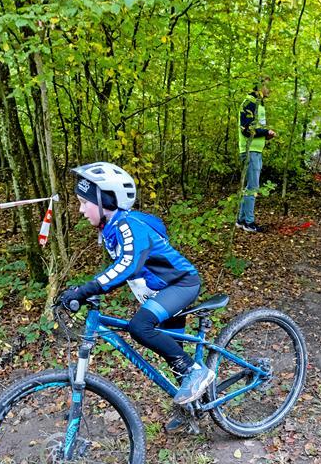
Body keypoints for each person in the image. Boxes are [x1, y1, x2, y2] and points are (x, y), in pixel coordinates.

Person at [58, 161, 215, 405]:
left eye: (84, 202)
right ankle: (193, 409)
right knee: (172, 354)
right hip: (162, 291)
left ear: (106, 202)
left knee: (140, 327)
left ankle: (196, 371)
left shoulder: (129, 225)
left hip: (181, 285)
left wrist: (87, 289)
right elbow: (122, 269)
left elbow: (127, 265)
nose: (80, 210)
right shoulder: (112, 229)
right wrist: (86, 290)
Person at [236, 77, 276, 233]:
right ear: (260, 86)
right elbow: (246, 129)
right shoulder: (250, 102)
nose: (270, 90)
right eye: (268, 86)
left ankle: (241, 220)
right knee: (253, 188)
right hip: (249, 150)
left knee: (249, 187)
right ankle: (249, 223)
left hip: (256, 150)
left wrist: (266, 135)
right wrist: (266, 132)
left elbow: (255, 128)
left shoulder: (259, 104)